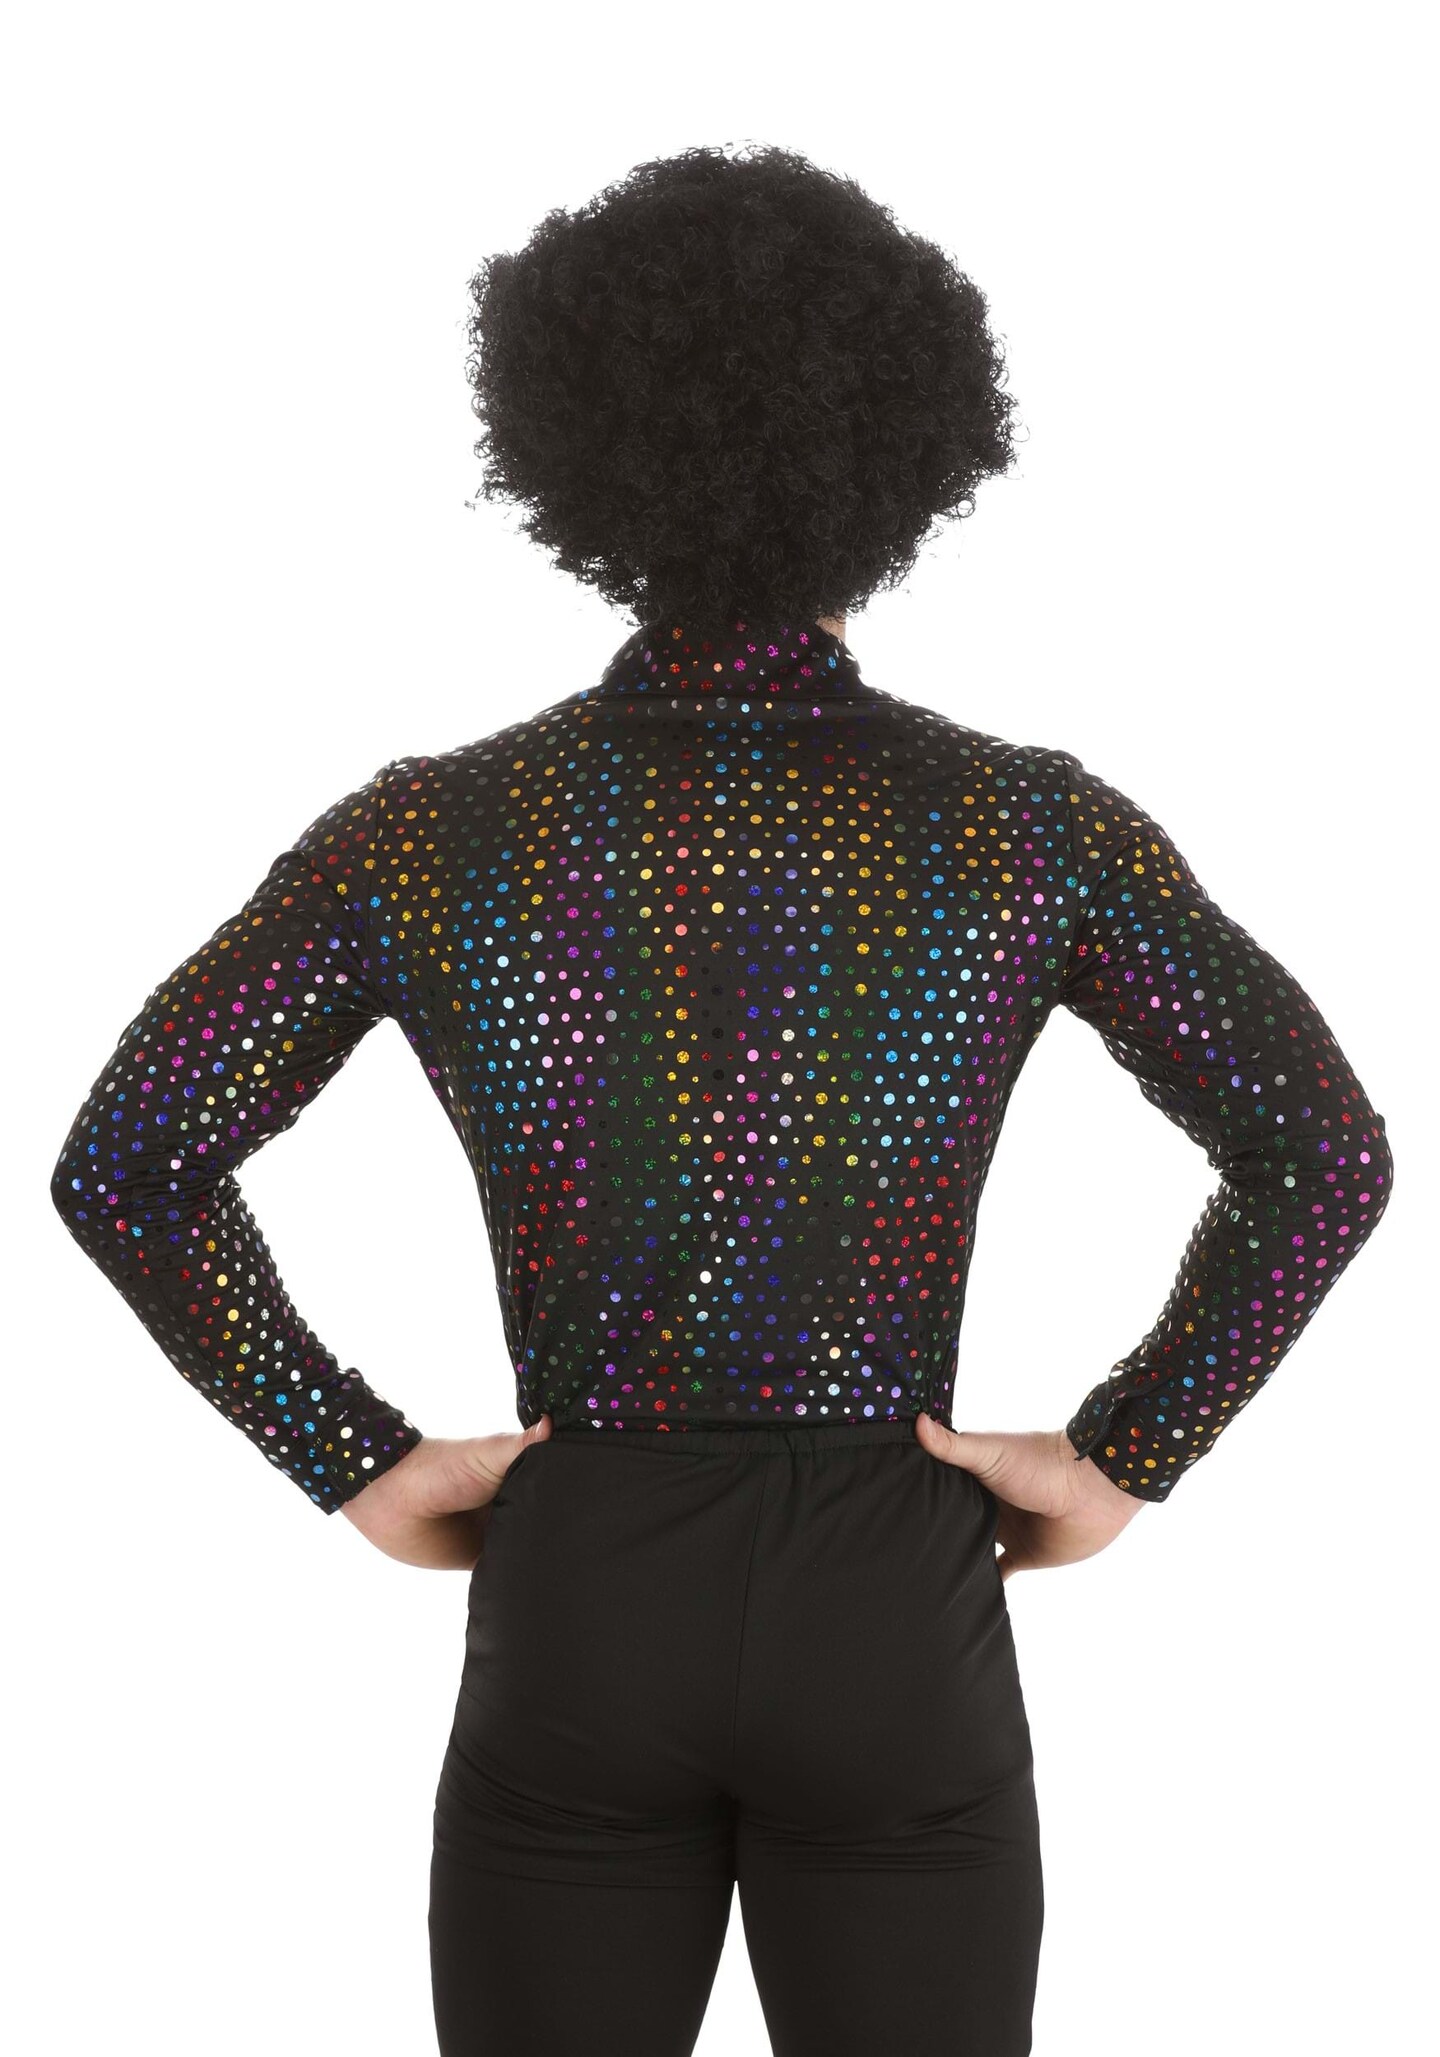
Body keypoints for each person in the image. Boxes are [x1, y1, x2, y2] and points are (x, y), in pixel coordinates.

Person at [49, 143, 1394, 2057]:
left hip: (583, 1580)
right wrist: (1121, 1456)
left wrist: (352, 1453)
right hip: (894, 1591)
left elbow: (132, 1160)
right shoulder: (1027, 829)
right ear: (905, 460)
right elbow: (1320, 1151)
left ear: (576, 457)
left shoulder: (430, 834)